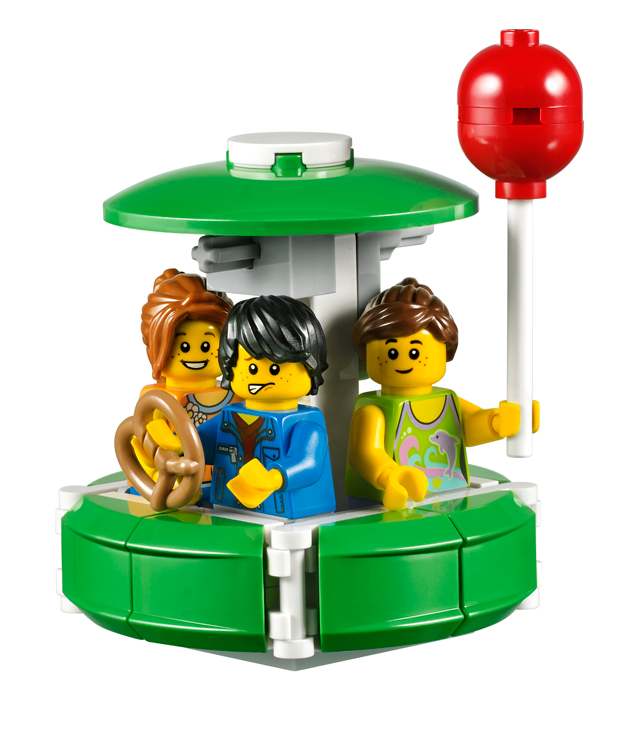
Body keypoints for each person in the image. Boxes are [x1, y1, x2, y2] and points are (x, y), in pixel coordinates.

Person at [345, 277, 539, 511]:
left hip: (449, 499)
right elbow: (365, 453)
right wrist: (389, 475)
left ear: (445, 350)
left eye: (415, 352)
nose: (404, 360)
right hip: (380, 505)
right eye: (392, 352)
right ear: (367, 353)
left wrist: (500, 422)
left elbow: (467, 426)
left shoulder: (446, 400)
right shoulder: (372, 410)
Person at [196, 295, 335, 519]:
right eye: (251, 368)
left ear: (311, 366)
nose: (259, 377)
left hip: (292, 521)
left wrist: (274, 478)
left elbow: (309, 463)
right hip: (226, 512)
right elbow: (200, 444)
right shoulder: (230, 416)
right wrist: (176, 446)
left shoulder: (305, 425)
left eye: (274, 368)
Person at [132, 269, 241, 485]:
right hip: (176, 477)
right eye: (183, 346)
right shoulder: (156, 398)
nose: (196, 355)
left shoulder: (235, 393)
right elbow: (145, 443)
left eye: (206, 345)